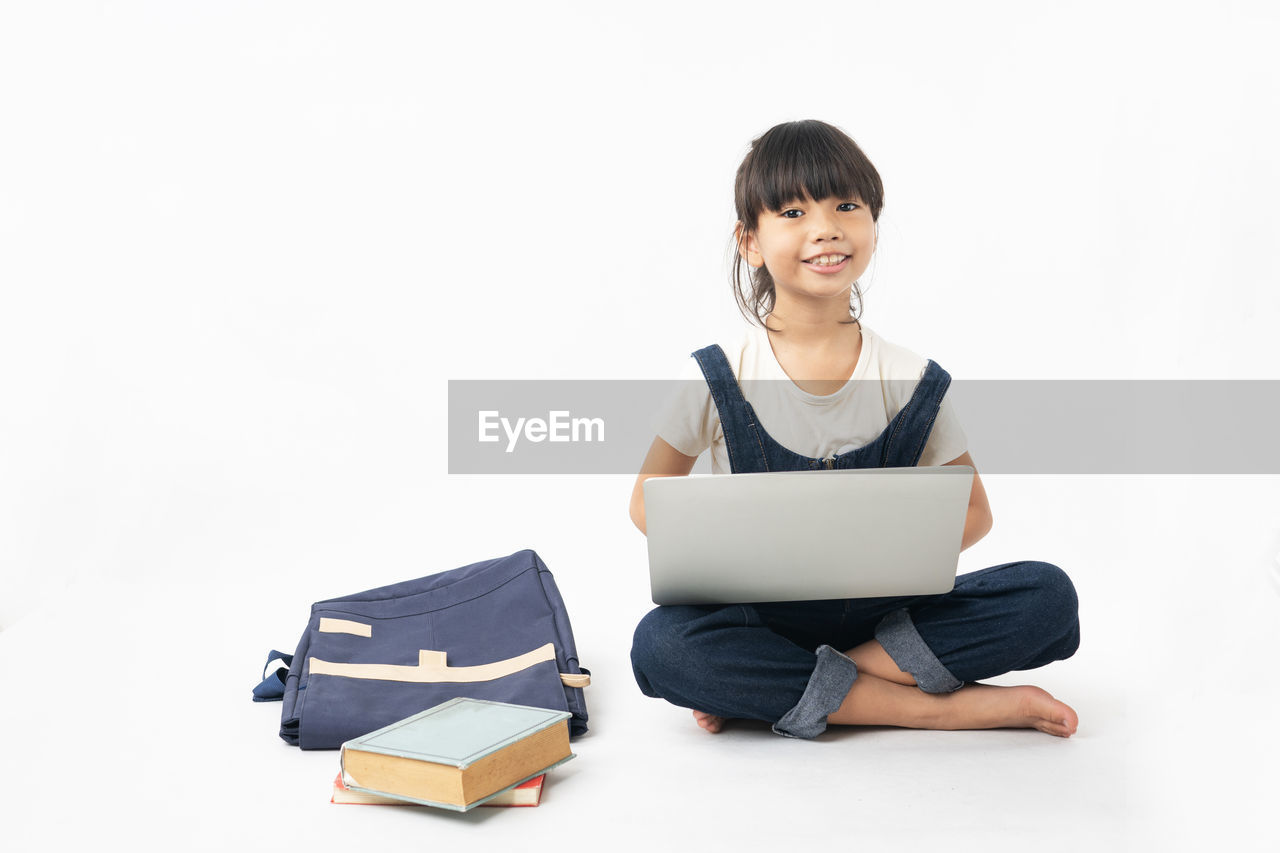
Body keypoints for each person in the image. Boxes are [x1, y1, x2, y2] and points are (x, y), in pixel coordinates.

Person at [627, 120, 1080, 740]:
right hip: (763, 620)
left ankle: (796, 688)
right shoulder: (717, 375)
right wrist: (738, 552)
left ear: (872, 223)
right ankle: (936, 708)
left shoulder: (912, 377)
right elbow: (647, 498)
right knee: (663, 646)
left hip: (888, 623)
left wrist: (896, 551)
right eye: (792, 211)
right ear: (750, 241)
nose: (826, 228)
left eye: (846, 205)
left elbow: (974, 512)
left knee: (1047, 597)